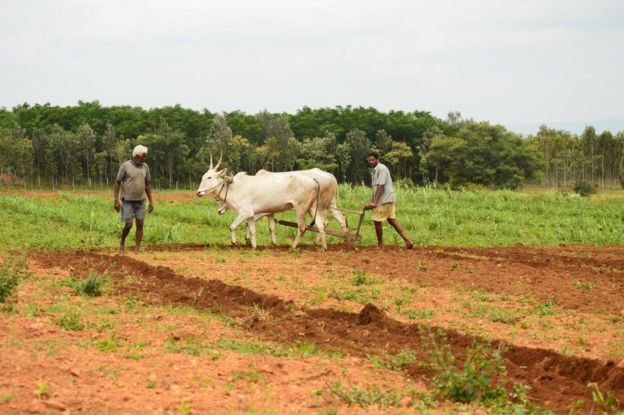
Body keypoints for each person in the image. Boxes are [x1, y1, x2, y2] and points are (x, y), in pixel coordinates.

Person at [363, 152, 413, 249]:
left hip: (384, 199)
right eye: (369, 160)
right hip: (386, 199)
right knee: (392, 221)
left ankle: (380, 245)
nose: (371, 162)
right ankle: (408, 241)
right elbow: (375, 188)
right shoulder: (374, 170)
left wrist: (374, 203)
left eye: (373, 160)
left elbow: (381, 187)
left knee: (377, 221)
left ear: (377, 159)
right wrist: (372, 201)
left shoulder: (382, 169)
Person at [114, 144, 154, 253]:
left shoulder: (145, 167)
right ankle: (122, 242)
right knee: (128, 225)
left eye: (145, 157)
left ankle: (137, 248)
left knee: (140, 224)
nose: (145, 159)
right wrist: (116, 200)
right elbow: (117, 183)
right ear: (136, 156)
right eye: (143, 157)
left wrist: (151, 201)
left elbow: (147, 185)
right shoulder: (125, 166)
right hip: (127, 201)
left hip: (140, 201)